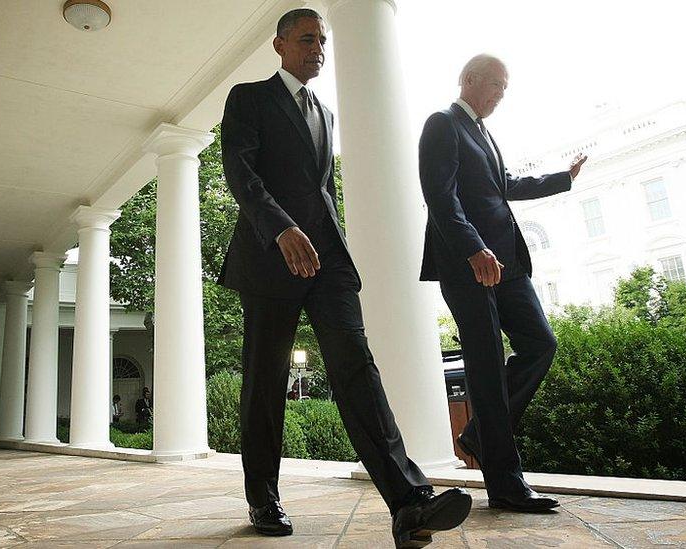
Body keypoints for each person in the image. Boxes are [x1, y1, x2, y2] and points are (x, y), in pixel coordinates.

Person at [218, 9, 471, 545]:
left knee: (358, 369)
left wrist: (336, 247)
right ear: (280, 43)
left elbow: (323, 189)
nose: (318, 48)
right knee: (265, 384)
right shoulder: (248, 98)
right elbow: (240, 172)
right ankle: (263, 496)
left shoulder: (324, 113)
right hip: (270, 259)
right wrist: (281, 229)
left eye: (323, 40)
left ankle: (408, 503)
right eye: (308, 39)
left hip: (327, 262)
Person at [418, 53, 587, 513]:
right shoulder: (442, 124)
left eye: (504, 88)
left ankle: (477, 434)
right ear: (469, 79)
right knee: (488, 366)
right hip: (468, 265)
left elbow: (504, 184)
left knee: (540, 344)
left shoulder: (485, 134)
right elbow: (440, 195)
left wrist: (560, 179)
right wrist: (474, 249)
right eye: (496, 85)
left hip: (508, 265)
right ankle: (507, 485)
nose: (500, 95)